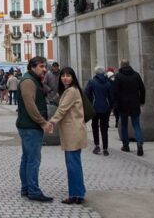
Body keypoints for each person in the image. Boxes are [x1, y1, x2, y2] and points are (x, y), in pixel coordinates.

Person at [16, 56, 54, 203]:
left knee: (27, 159)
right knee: (33, 160)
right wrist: (43, 122)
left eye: (45, 67)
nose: (44, 69)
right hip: (30, 126)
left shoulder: (31, 80)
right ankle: (33, 190)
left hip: (27, 125)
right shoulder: (28, 81)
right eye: (41, 66)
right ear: (32, 67)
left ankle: (26, 188)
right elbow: (30, 105)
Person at [50, 67, 87, 205]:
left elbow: (62, 109)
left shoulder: (71, 91)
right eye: (63, 76)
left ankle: (76, 194)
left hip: (73, 131)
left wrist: (51, 123)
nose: (65, 78)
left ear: (73, 77)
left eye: (68, 76)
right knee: (74, 163)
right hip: (73, 130)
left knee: (73, 165)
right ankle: (79, 192)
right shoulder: (71, 90)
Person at [112, 60, 146, 156]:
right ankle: (139, 144)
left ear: (121, 66)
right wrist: (141, 101)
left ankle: (126, 145)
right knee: (136, 125)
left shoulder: (118, 76)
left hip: (123, 105)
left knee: (124, 125)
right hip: (135, 104)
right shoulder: (136, 75)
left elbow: (115, 91)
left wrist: (115, 104)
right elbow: (142, 89)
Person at [84, 66, 113, 155]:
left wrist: (89, 104)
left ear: (95, 73)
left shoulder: (92, 82)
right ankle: (105, 148)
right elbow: (111, 96)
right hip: (106, 108)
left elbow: (86, 94)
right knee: (104, 128)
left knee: (95, 127)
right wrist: (110, 107)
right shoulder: (108, 83)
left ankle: (97, 145)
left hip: (95, 108)